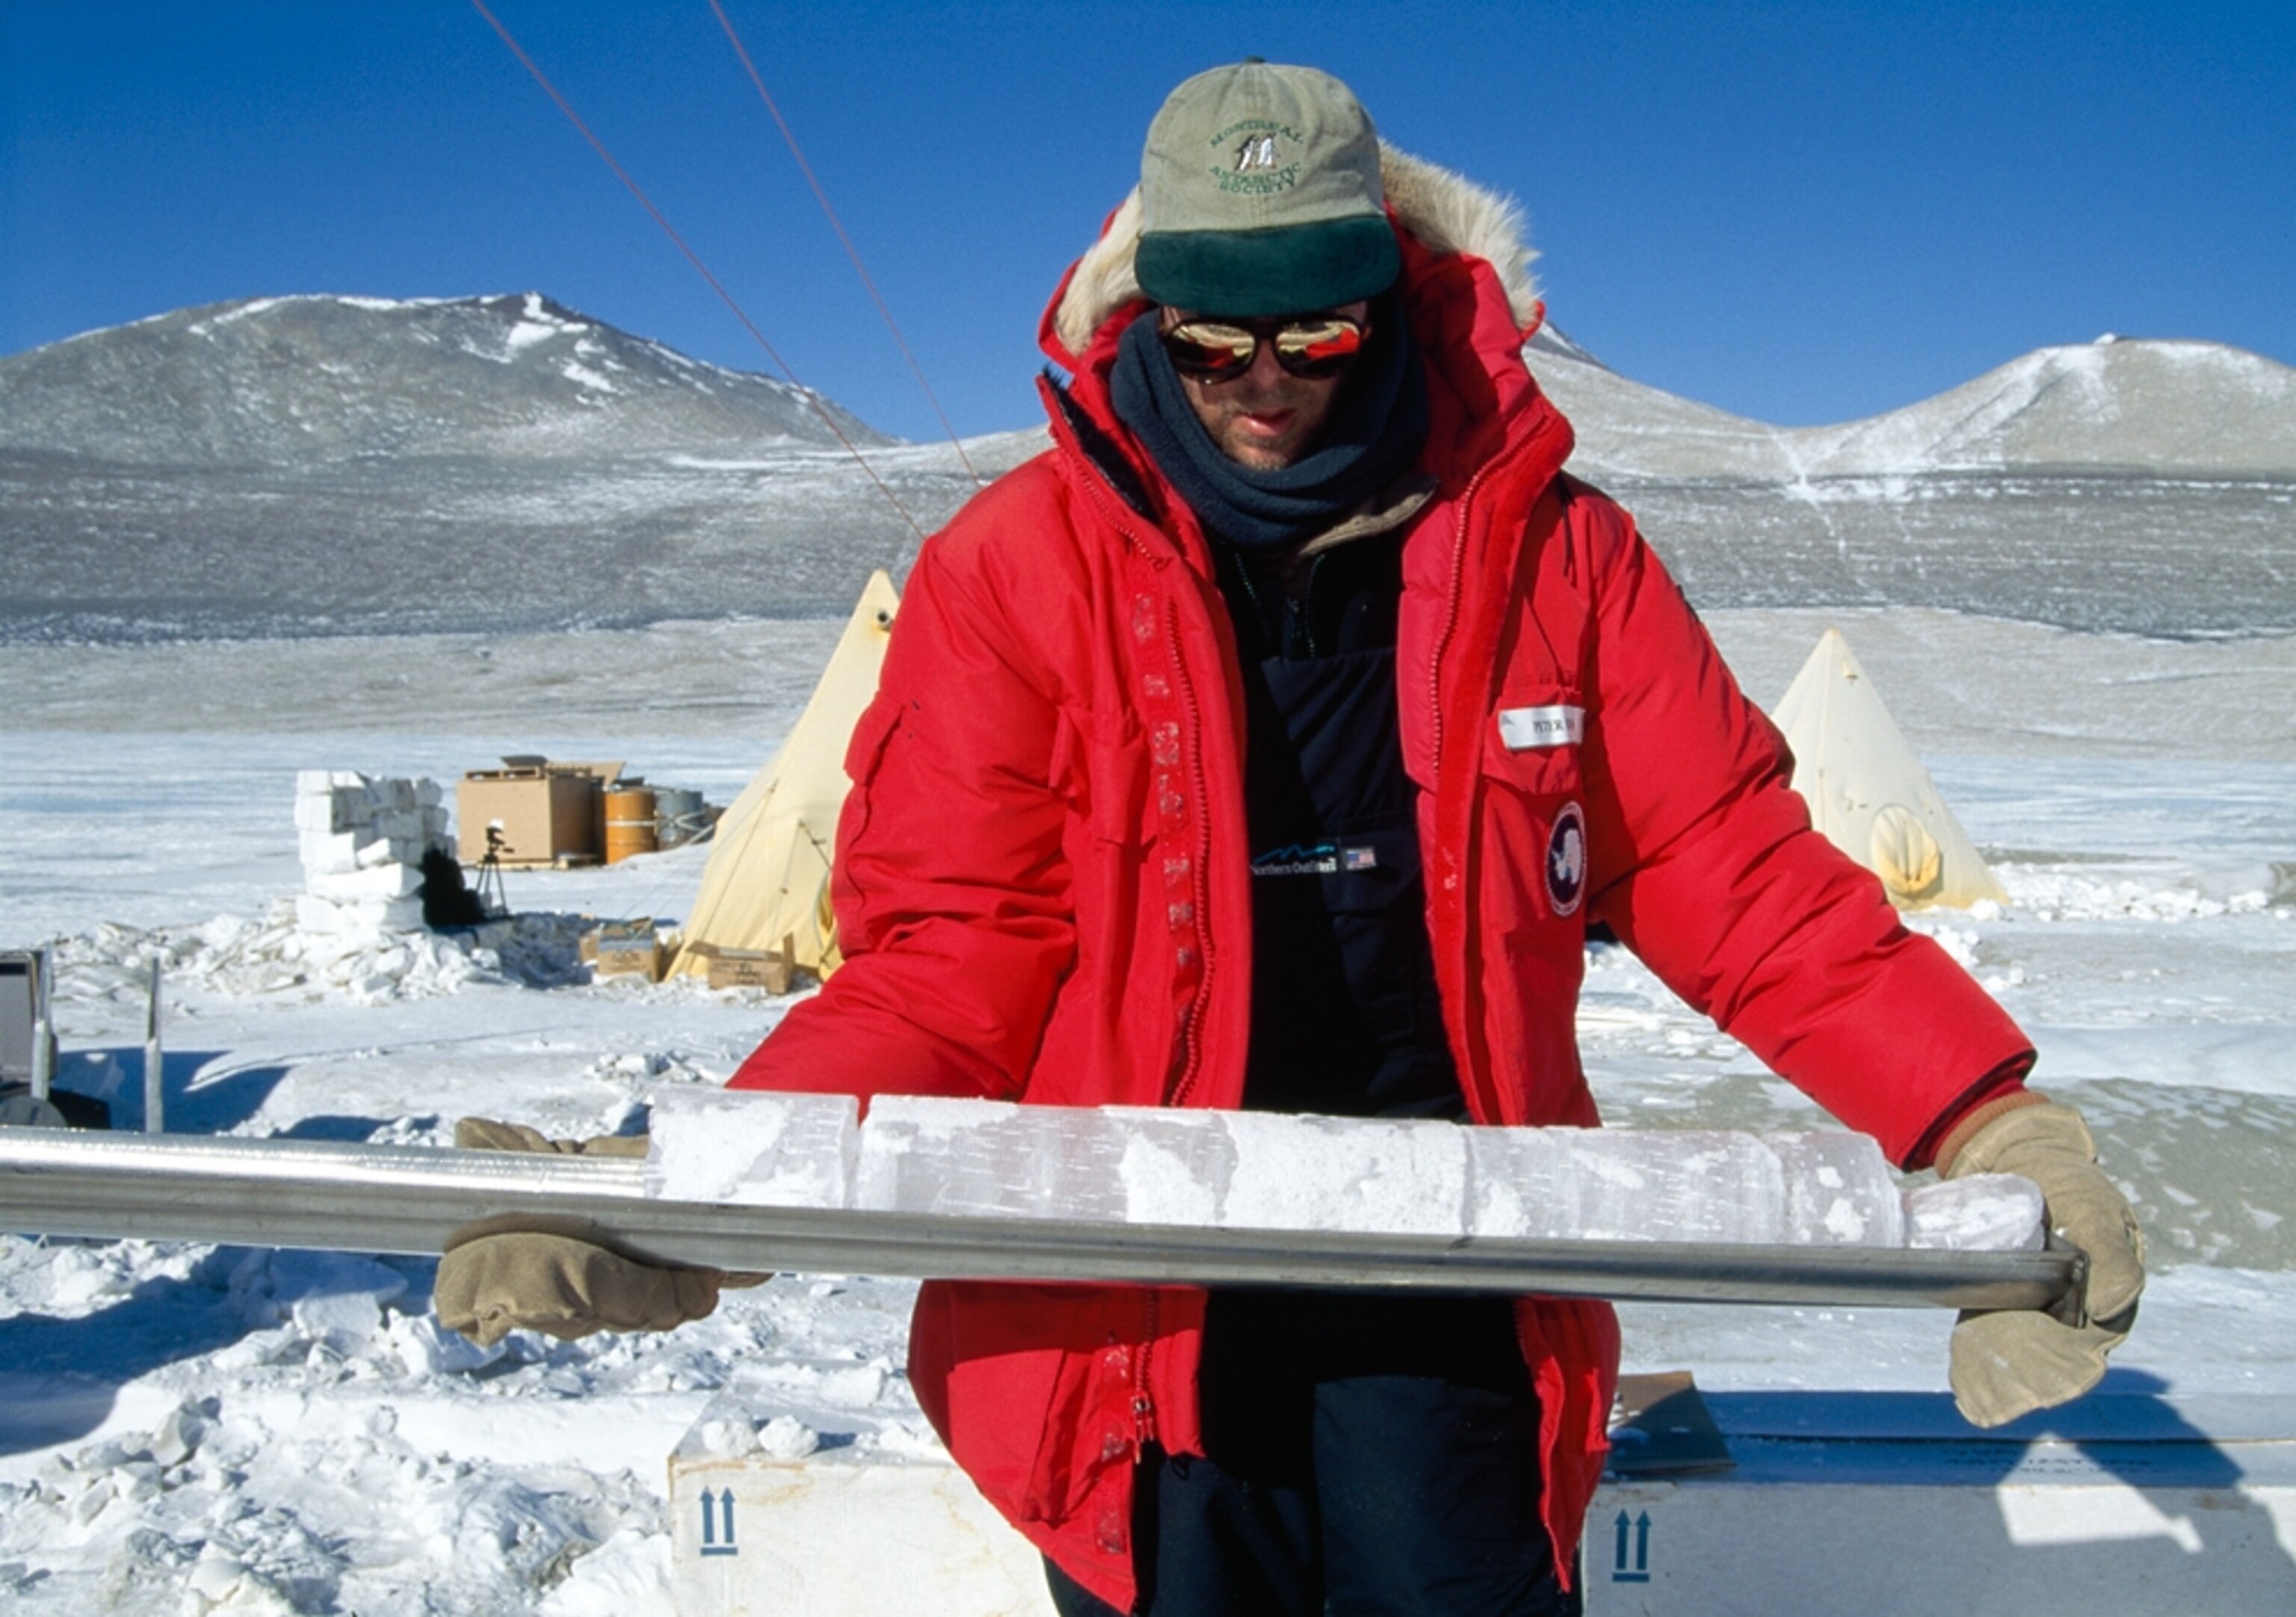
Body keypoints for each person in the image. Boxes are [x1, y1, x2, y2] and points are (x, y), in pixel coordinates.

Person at [437, 60, 2144, 1616]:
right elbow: (951, 962)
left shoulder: (1556, 558)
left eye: (1315, 337)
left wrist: (1978, 1115)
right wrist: (701, 1192)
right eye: (1210, 343)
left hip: (1456, 1250)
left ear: (1389, 300)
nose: (1263, 385)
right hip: (1130, 1279)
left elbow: (1739, 876)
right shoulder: (1015, 575)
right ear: (1146, 316)